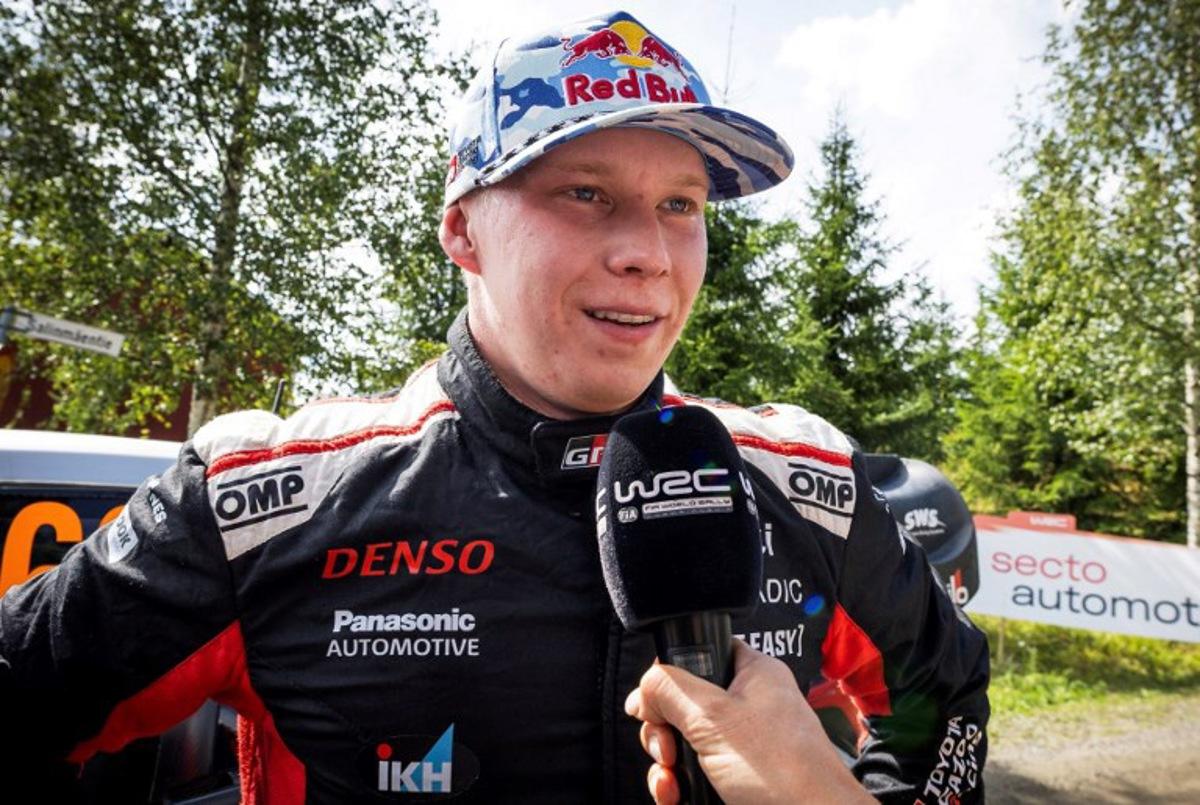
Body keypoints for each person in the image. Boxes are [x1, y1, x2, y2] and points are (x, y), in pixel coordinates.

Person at [0, 10, 988, 804]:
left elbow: (945, 699)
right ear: (464, 229)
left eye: (681, 203)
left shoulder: (802, 483)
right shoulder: (256, 504)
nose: (647, 248)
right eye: (587, 192)